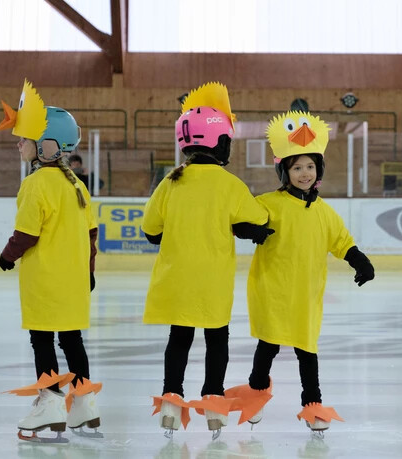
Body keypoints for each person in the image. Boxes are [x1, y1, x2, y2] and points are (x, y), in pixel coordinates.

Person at [225, 110, 374, 435]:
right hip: (272, 292)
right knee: (268, 347)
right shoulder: (269, 203)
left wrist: (359, 260)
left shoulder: (325, 213)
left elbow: (341, 241)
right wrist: (252, 230)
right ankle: (256, 392)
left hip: (306, 296)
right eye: (297, 168)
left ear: (317, 170)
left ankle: (312, 404)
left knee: (307, 350)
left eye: (310, 167)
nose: (304, 173)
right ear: (285, 171)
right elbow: (240, 219)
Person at [142, 82, 273, 439]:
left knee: (179, 337)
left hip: (177, 280)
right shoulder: (228, 184)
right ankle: (213, 402)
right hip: (213, 281)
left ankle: (171, 398)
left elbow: (150, 229)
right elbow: (258, 219)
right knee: (217, 339)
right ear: (222, 143)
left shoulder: (170, 181)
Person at [0, 79, 102, 442]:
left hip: (45, 280)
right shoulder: (77, 184)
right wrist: (87, 273)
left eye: (24, 140)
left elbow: (27, 234)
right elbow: (91, 236)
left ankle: (50, 402)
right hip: (73, 281)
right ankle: (85, 404)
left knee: (42, 340)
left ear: (47, 146)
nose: (19, 145)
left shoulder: (36, 184)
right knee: (72, 340)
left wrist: (7, 257)